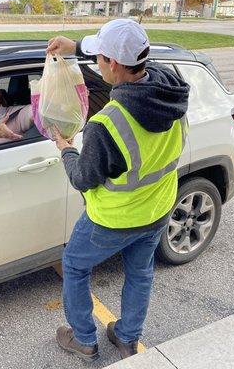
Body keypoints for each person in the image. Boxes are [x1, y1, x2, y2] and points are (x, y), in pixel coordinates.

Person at [46, 19, 190, 361]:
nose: (96, 63)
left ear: (113, 63)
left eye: (99, 58)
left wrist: (65, 148)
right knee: (140, 274)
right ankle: (127, 337)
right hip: (157, 210)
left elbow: (82, 178)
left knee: (75, 266)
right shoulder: (172, 88)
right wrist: (76, 47)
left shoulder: (107, 124)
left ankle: (84, 339)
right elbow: (134, 59)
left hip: (112, 220)